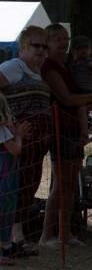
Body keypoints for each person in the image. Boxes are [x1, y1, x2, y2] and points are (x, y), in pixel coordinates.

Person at [39, 24, 92, 247]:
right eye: (57, 39)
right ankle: (46, 236)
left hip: (73, 129)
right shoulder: (49, 67)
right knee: (60, 185)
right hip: (60, 130)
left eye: (66, 38)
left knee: (70, 184)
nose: (63, 43)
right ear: (47, 43)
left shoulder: (65, 66)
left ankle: (65, 234)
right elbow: (66, 98)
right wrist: (91, 98)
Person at [0, 25, 51, 257]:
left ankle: (16, 238)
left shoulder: (37, 72)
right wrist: (10, 126)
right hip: (13, 146)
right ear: (23, 47)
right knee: (11, 191)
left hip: (34, 148)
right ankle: (8, 242)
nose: (41, 50)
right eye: (35, 45)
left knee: (27, 188)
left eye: (44, 47)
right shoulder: (13, 67)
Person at [0, 94, 30, 265]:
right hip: (5, 175)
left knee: (7, 209)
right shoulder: (2, 131)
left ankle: (6, 245)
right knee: (4, 209)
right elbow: (15, 149)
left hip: (7, 175)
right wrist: (19, 135)